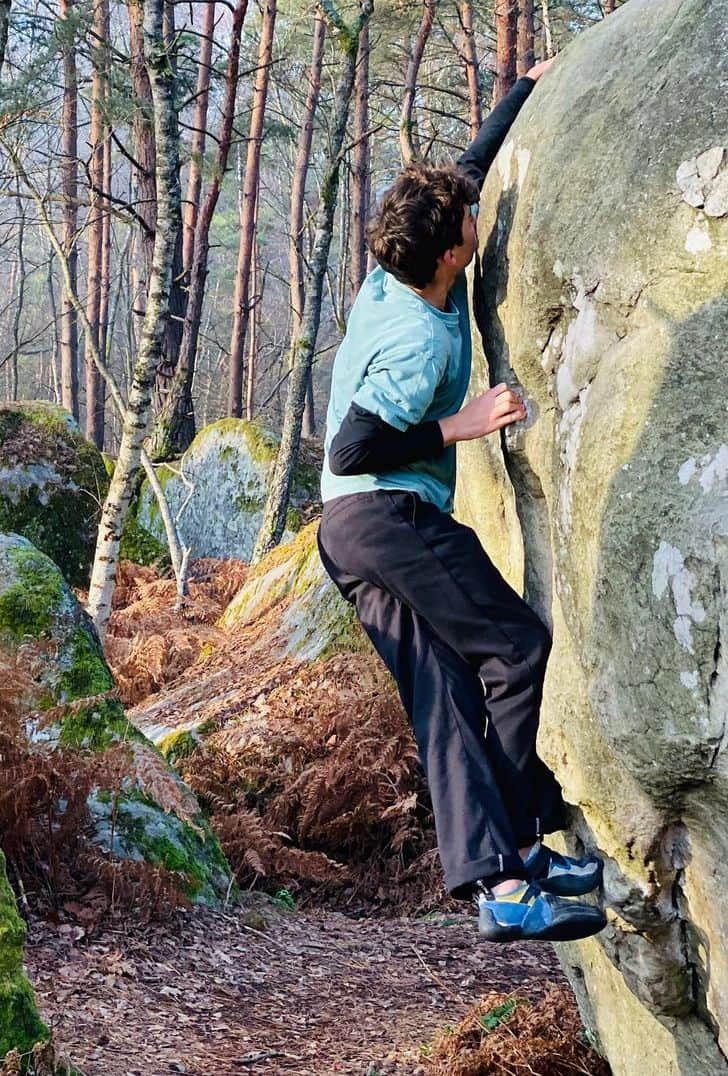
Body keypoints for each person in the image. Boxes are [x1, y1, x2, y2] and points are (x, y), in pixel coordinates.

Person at [317, 62, 607, 943]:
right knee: (515, 650)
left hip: (344, 526)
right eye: (470, 223)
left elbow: (466, 170)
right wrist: (464, 423)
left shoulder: (402, 262)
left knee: (443, 694)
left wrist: (526, 84)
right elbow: (353, 446)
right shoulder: (409, 335)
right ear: (453, 255)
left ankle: (500, 888)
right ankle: (520, 846)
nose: (478, 217)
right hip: (382, 512)